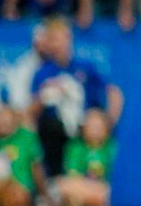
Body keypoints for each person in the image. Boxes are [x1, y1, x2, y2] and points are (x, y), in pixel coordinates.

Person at [25, 18, 122, 179]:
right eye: (52, 39)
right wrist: (44, 96)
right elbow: (31, 110)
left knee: (94, 126)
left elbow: (114, 92)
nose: (57, 44)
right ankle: (56, 182)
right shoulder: (43, 73)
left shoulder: (85, 67)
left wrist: (109, 120)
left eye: (60, 38)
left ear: (69, 37)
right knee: (49, 127)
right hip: (56, 129)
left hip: (86, 124)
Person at [53, 106, 116, 206]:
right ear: (84, 128)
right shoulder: (75, 147)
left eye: (98, 126)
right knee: (62, 184)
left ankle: (88, 203)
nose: (95, 130)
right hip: (84, 188)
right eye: (91, 126)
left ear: (106, 128)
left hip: (106, 190)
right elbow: (73, 176)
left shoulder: (113, 148)